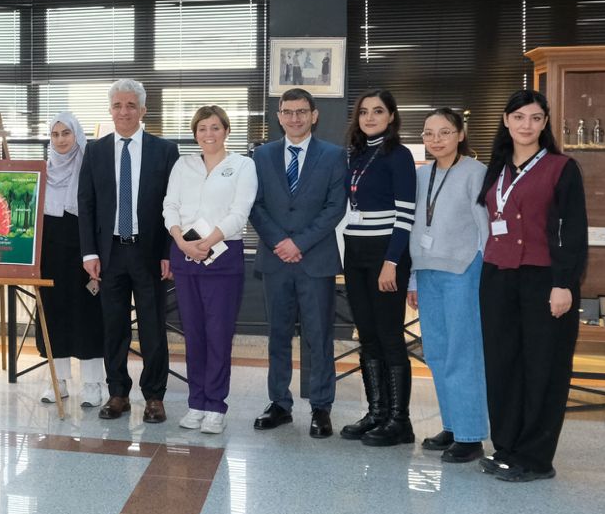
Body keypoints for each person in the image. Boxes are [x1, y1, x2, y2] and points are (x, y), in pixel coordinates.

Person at [476, 89, 587, 482]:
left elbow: (573, 231)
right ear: (506, 121)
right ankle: (507, 446)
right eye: (519, 117)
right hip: (498, 276)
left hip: (544, 278)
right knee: (503, 364)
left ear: (545, 123)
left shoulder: (562, 167)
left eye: (536, 118)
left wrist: (564, 283)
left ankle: (536, 458)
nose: (527, 125)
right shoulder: (497, 168)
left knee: (544, 366)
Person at [77, 79, 179, 423]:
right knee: (113, 326)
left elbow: (174, 205)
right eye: (118, 105)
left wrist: (168, 252)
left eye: (131, 105)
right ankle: (118, 393)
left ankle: (154, 396)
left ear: (143, 110)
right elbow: (86, 203)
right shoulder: (96, 151)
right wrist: (89, 253)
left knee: (153, 328)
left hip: (149, 253)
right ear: (110, 110)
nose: (124, 111)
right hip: (109, 254)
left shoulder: (165, 151)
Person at [249, 88, 348, 438]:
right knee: (277, 335)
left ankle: (321, 407)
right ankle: (279, 403)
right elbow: (254, 204)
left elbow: (335, 207)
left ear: (314, 115)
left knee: (319, 337)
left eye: (301, 111)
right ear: (279, 116)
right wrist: (280, 242)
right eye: (288, 112)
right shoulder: (261, 155)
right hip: (276, 259)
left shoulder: (334, 155)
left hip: (315, 260)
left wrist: (299, 243)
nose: (295, 118)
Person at [163, 105, 257, 434]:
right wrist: (181, 241)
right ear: (195, 134)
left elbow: (239, 212)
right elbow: (170, 206)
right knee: (193, 334)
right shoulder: (183, 165)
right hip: (185, 255)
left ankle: (215, 405)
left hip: (223, 256)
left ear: (226, 131)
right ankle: (196, 403)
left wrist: (208, 241)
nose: (209, 134)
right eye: (202, 128)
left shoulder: (242, 165)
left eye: (215, 127)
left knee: (218, 334)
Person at [408, 108, 490, 463]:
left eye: (444, 132)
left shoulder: (476, 172)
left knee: (463, 354)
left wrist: (485, 275)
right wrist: (413, 278)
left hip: (463, 273)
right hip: (427, 272)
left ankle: (471, 436)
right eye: (429, 133)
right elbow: (415, 227)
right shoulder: (421, 174)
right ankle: (453, 426)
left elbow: (485, 228)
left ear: (460, 134)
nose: (436, 139)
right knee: (438, 353)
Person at [338, 89, 418, 446]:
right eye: (364, 112)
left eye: (378, 111)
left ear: (391, 116)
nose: (370, 118)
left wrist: (392, 263)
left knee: (389, 335)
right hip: (355, 253)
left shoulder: (399, 155)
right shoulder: (356, 155)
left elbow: (406, 215)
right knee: (367, 335)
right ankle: (376, 412)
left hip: (386, 255)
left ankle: (400, 421)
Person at [36, 113, 104, 407]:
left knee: (88, 315)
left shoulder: (91, 168)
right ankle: (58, 381)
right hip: (49, 254)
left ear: (77, 135)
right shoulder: (43, 171)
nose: (61, 139)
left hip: (84, 254)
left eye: (66, 133)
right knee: (53, 315)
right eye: (55, 134)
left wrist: (95, 253)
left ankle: (92, 384)